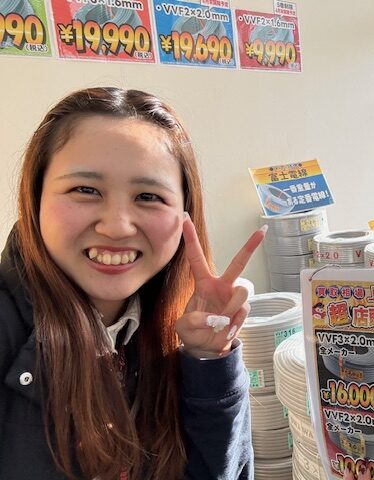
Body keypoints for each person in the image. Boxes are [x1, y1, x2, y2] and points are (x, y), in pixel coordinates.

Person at [0, 87, 266, 479]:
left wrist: (209, 361)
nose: (117, 227)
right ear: (35, 197)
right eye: (85, 190)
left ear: (185, 213)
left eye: (148, 196)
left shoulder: (172, 327)